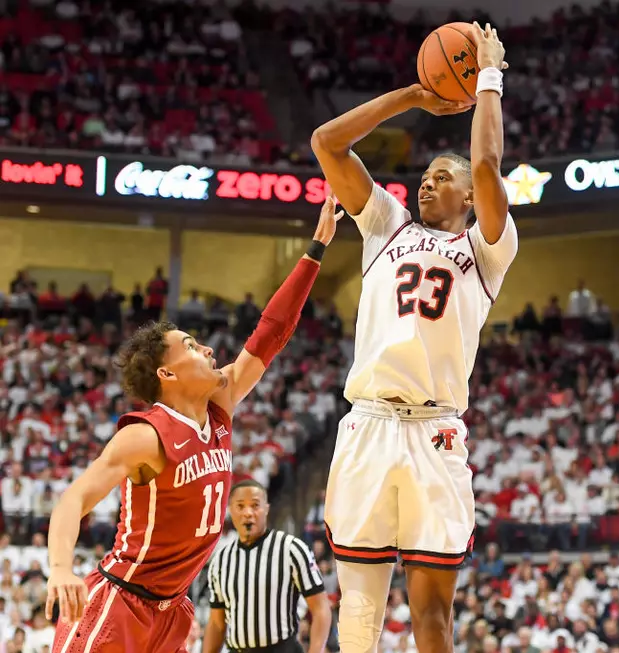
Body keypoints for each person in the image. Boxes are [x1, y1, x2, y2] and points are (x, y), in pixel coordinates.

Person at [44, 198, 346, 652]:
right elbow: (75, 498)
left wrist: (315, 250)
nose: (207, 350)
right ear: (167, 374)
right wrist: (59, 568)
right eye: (190, 346)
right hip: (121, 601)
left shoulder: (220, 403)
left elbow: (272, 331)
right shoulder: (145, 434)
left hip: (174, 610)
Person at [311, 23, 515, 653]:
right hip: (368, 423)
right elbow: (327, 143)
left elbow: (484, 163)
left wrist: (487, 79)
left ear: (466, 195)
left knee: (433, 618)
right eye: (423, 176)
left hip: (436, 431)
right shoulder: (386, 226)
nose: (427, 183)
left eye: (440, 177)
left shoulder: (487, 248)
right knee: (360, 614)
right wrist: (412, 95)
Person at [203, 480, 331, 653]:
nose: (248, 513)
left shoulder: (291, 548)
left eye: (255, 505)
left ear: (267, 509)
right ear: (231, 510)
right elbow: (217, 624)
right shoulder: (220, 560)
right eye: (240, 506)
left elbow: (321, 608)